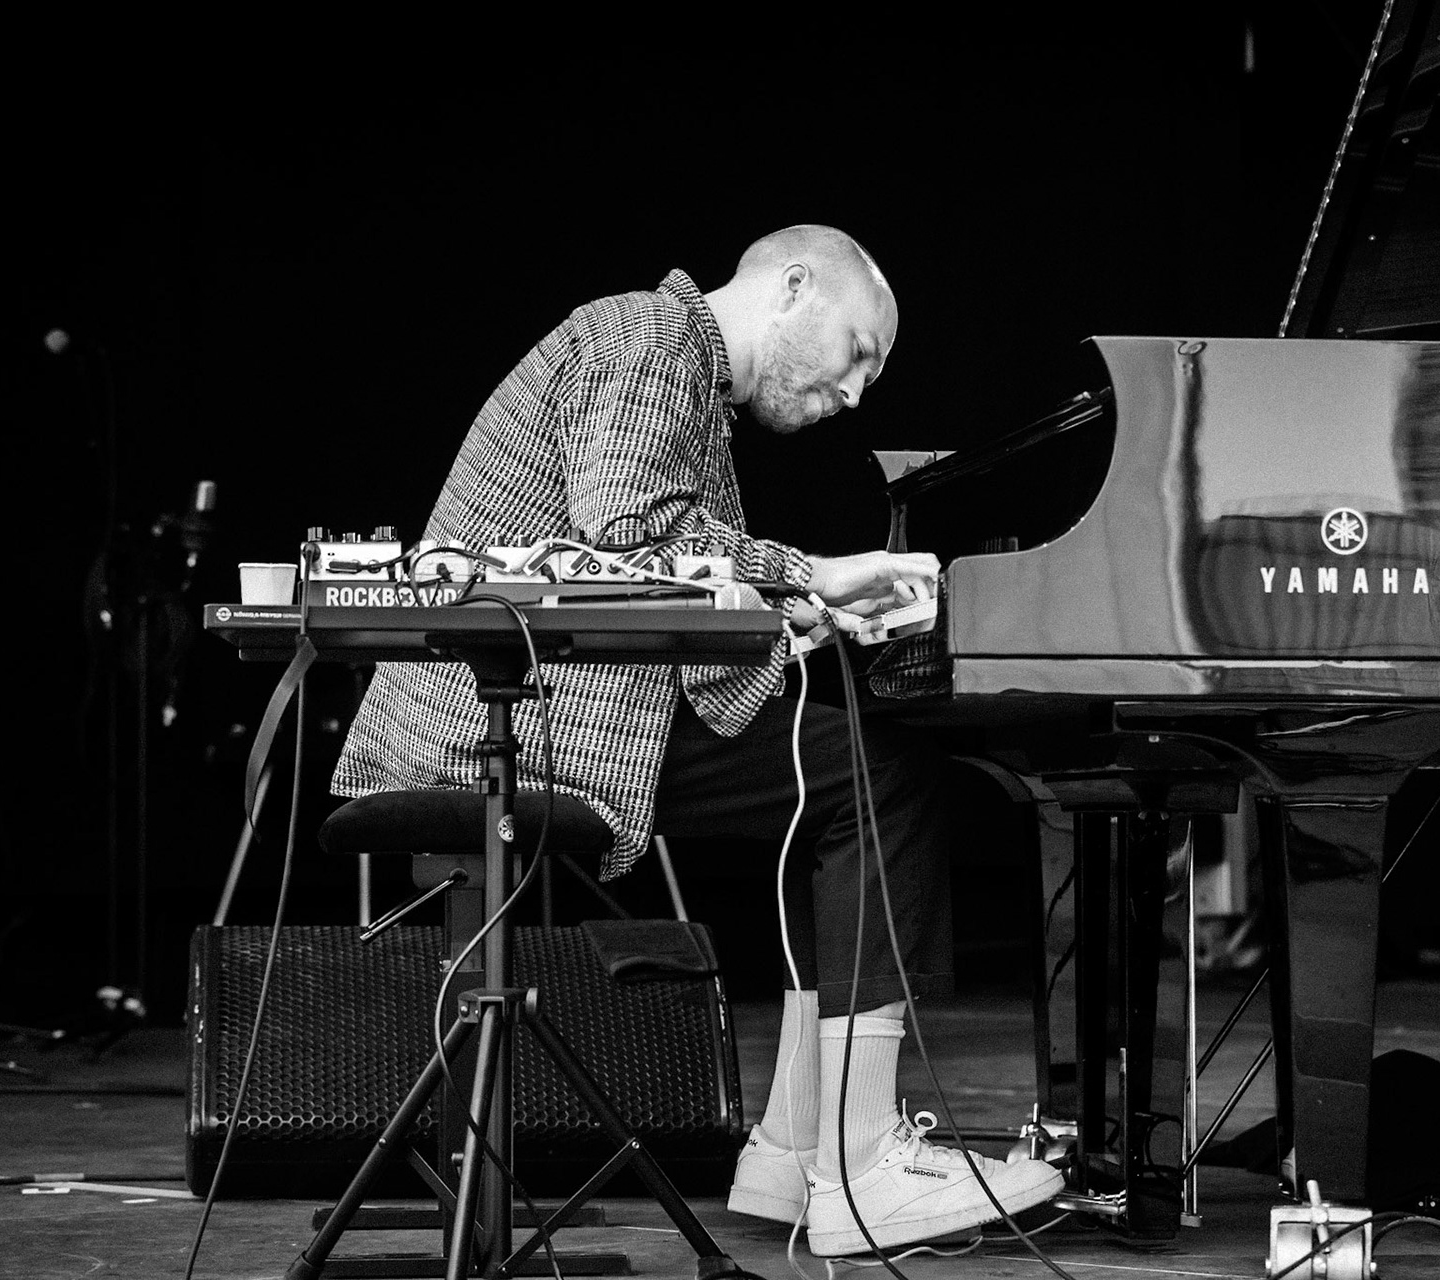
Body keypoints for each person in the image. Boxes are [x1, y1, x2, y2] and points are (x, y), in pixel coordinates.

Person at [330, 225, 1063, 1256]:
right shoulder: (646, 336)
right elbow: (630, 533)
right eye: (857, 351)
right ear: (793, 286)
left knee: (843, 766)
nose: (858, 393)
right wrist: (809, 571)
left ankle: (788, 1145)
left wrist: (801, 619)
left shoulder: (674, 368)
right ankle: (857, 1163)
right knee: (874, 778)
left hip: (550, 703)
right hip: (507, 718)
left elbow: (657, 587)